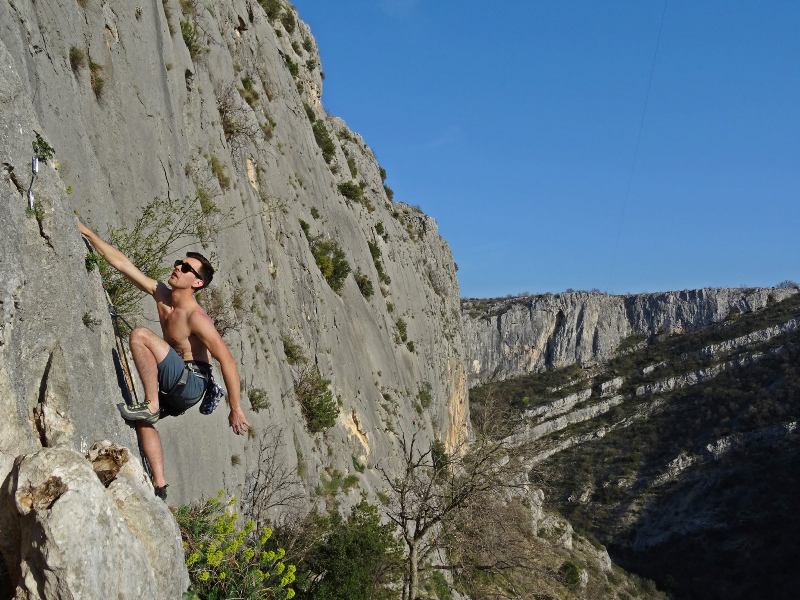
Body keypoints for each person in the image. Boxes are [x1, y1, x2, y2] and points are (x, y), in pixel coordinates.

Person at [77, 220, 250, 499]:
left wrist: (236, 408)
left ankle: (151, 403)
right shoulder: (162, 295)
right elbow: (123, 264)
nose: (178, 267)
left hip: (193, 381)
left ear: (197, 282)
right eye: (179, 262)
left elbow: (227, 360)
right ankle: (160, 484)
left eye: (186, 268)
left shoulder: (196, 318)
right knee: (144, 422)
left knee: (141, 335)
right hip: (178, 383)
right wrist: (87, 232)